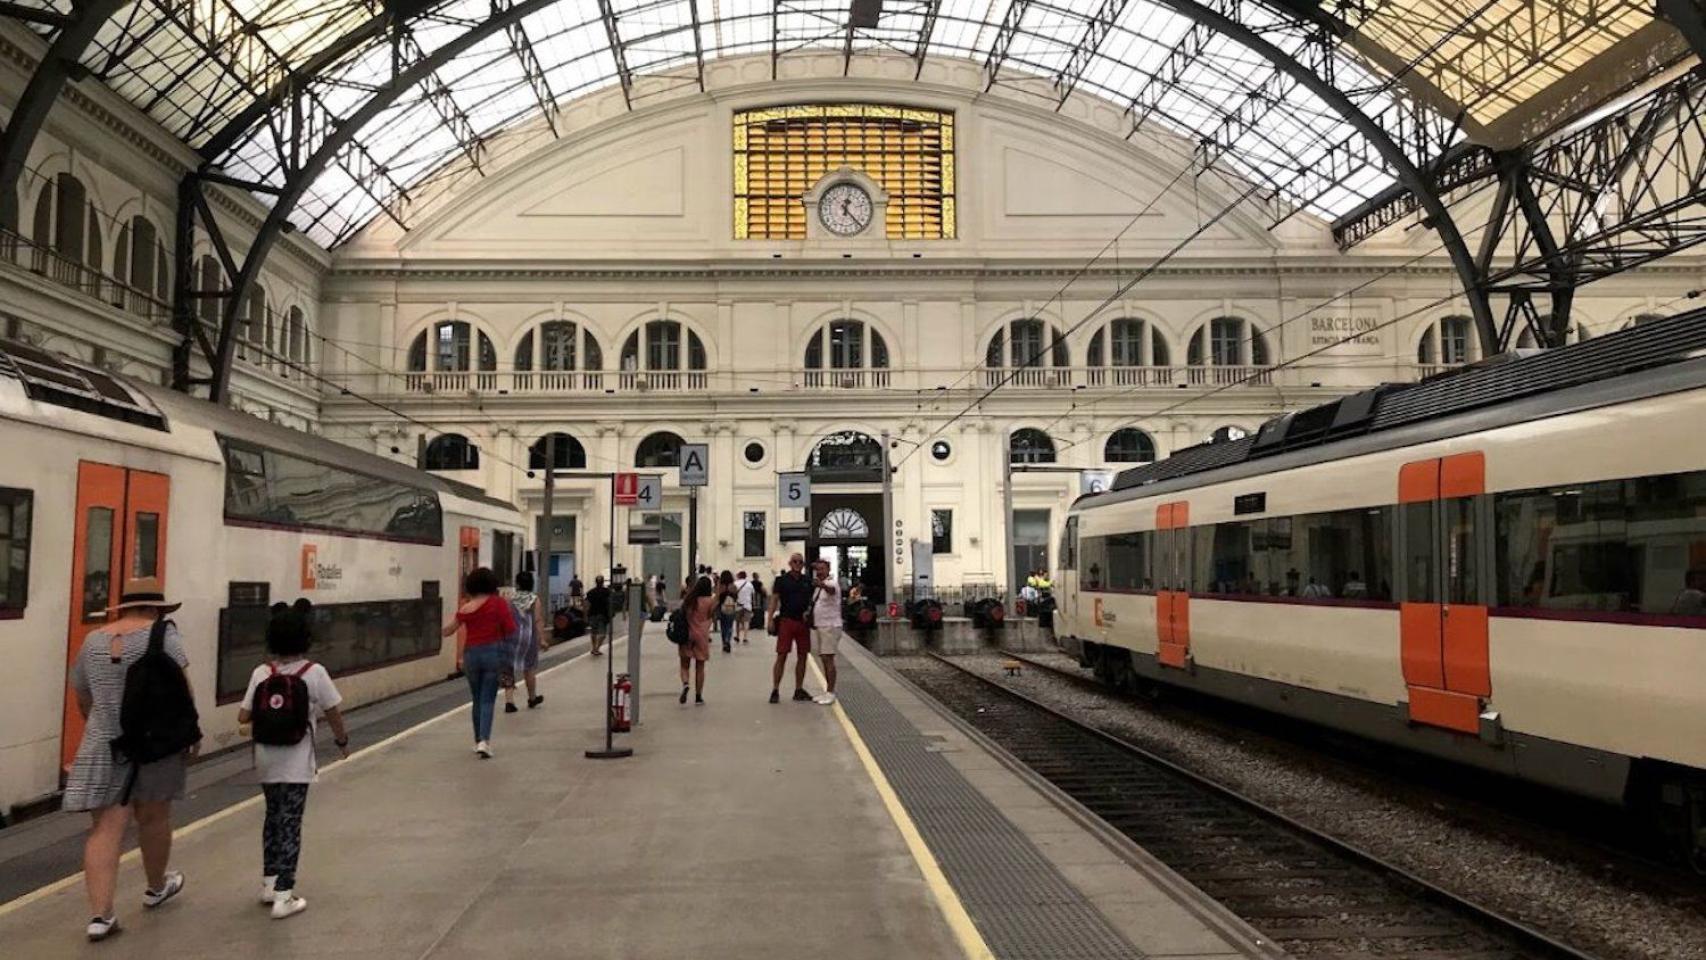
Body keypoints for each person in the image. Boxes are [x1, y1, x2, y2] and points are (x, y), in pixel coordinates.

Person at [63, 577, 198, 942]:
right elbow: (182, 691)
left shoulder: (92, 641)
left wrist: (103, 723)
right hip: (155, 744)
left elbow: (82, 695)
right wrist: (190, 735)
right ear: (157, 609)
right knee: (154, 818)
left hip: (103, 744)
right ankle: (156, 888)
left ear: (123, 607)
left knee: (105, 829)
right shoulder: (164, 636)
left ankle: (100, 916)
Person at [238, 604, 349, 920]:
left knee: (273, 817)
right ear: (305, 639)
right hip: (297, 761)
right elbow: (333, 713)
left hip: (265, 759)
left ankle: (269, 883)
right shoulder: (314, 672)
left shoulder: (261, 673)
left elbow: (243, 715)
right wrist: (342, 742)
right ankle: (285, 896)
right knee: (290, 823)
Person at [441, 567, 516, 758]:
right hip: (492, 653)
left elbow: (449, 631)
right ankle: (484, 740)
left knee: (476, 699)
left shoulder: (466, 607)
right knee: (488, 699)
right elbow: (510, 629)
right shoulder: (498, 603)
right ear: (491, 584)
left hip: (471, 656)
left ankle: (477, 741)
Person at [766, 553, 815, 703]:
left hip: (802, 622)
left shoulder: (808, 581)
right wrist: (770, 620)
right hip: (786, 621)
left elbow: (812, 601)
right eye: (795, 561)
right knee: (781, 655)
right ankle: (775, 689)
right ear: (790, 563)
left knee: (803, 655)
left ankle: (798, 689)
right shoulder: (781, 581)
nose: (798, 564)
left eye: (800, 562)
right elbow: (774, 601)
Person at [503, 571, 548, 713]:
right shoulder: (534, 599)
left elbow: (506, 618)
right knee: (529, 668)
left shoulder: (510, 599)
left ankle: (509, 701)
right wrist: (542, 639)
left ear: (517, 584)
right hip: (528, 638)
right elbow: (538, 619)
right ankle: (532, 697)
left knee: (508, 668)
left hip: (510, 636)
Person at [679, 575, 718, 704]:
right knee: (700, 667)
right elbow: (712, 615)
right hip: (702, 635)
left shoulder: (689, 599)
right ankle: (698, 696)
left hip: (687, 635)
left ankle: (685, 683)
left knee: (685, 664)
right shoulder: (710, 601)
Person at [810, 559, 843, 705]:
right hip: (821, 626)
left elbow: (832, 591)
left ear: (828, 569)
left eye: (822, 569)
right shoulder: (818, 587)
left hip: (830, 627)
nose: (819, 571)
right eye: (818, 569)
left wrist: (822, 584)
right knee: (824, 658)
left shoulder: (831, 583)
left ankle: (831, 692)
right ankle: (827, 690)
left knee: (828, 659)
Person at [585, 575, 611, 655]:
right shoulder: (607, 592)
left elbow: (587, 604)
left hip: (592, 614)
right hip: (602, 615)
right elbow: (610, 603)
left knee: (594, 632)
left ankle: (593, 648)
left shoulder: (590, 592)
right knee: (603, 634)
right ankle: (596, 648)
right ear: (603, 582)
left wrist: (585, 616)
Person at [717, 569, 738, 653]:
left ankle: (724, 642)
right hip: (731, 608)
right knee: (730, 626)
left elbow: (717, 597)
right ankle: (728, 640)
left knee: (723, 626)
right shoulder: (733, 586)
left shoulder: (720, 586)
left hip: (722, 608)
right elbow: (736, 597)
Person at [734, 571, 754, 644]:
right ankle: (745, 637)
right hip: (747, 605)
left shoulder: (735, 583)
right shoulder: (749, 584)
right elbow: (752, 594)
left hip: (738, 605)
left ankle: (737, 636)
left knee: (737, 621)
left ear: (739, 576)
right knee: (746, 622)